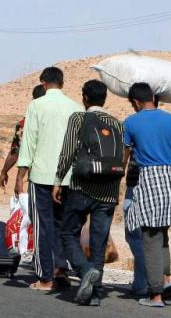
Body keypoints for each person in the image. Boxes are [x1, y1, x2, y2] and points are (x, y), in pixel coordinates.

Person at [123, 83, 171, 307]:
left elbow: (124, 157)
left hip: (149, 181)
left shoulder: (131, 122)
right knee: (163, 236)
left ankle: (155, 294)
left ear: (136, 102)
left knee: (150, 238)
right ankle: (165, 282)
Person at [52, 80, 123, 306]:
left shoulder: (79, 119)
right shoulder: (116, 123)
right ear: (105, 98)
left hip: (83, 187)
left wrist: (57, 180)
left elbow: (68, 151)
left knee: (67, 232)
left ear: (84, 97)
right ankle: (95, 293)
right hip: (109, 190)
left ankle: (84, 272)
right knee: (99, 241)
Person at [14, 67, 83, 291]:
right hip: (69, 177)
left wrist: (20, 176)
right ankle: (61, 269)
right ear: (62, 83)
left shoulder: (37, 105)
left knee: (42, 225)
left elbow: (29, 143)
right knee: (64, 225)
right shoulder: (76, 107)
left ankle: (45, 277)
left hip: (42, 176)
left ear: (43, 83)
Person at [0, 85, 46, 190]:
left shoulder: (25, 124)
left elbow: (16, 153)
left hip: (38, 178)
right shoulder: (61, 118)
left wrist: (5, 171)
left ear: (33, 100)